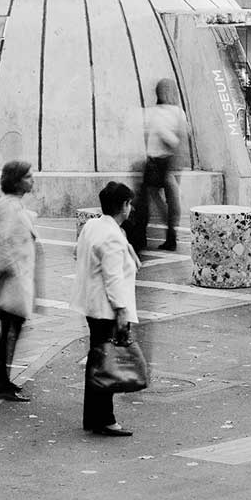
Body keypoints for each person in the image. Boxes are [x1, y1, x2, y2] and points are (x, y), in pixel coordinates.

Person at [72, 180, 140, 437]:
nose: (131, 208)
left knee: (96, 360)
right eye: (129, 203)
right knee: (106, 363)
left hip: (92, 304)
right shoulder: (111, 235)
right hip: (106, 308)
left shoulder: (93, 226)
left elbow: (78, 254)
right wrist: (121, 311)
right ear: (123, 206)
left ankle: (93, 416)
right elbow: (112, 278)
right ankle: (106, 418)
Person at [0, 159, 43, 401]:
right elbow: (0, 241)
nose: (32, 180)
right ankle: (2, 384)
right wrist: (15, 272)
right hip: (11, 282)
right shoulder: (8, 206)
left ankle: (5, 381)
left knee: (11, 330)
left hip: (15, 282)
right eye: (28, 176)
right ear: (17, 181)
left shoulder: (13, 205)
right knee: (8, 332)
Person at [131, 78, 189, 253]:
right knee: (168, 201)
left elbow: (172, 138)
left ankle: (167, 235)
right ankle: (170, 235)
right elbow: (183, 137)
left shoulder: (158, 112)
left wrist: (163, 133)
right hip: (167, 163)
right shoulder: (178, 113)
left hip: (161, 162)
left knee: (160, 198)